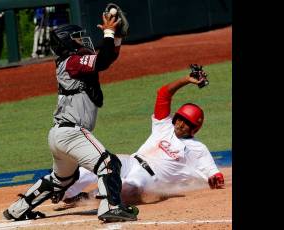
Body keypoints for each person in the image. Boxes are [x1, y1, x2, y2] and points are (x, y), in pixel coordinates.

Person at [3, 9, 138, 223]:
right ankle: (110, 207)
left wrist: (116, 36)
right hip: (71, 133)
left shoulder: (74, 62)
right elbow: (102, 60)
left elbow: (107, 57)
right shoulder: (72, 62)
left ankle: (18, 209)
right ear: (67, 43)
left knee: (61, 180)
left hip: (59, 135)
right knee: (109, 164)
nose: (82, 41)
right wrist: (109, 34)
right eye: (77, 38)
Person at [56, 66, 226, 209]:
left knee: (127, 188)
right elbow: (163, 94)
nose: (181, 124)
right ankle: (64, 191)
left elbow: (214, 174)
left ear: (194, 128)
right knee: (100, 162)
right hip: (132, 161)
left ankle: (86, 198)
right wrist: (186, 80)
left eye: (187, 123)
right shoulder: (164, 126)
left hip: (147, 179)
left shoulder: (198, 149)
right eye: (180, 119)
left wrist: (216, 179)